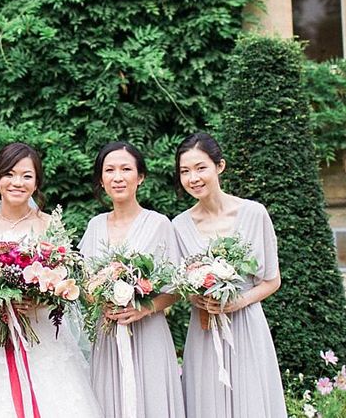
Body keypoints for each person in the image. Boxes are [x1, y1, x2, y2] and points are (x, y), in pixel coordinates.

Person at [0, 142, 103, 418]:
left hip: (43, 337)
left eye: (27, 175)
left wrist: (38, 301)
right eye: (9, 174)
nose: (17, 182)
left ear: (36, 184)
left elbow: (65, 285)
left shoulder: (49, 225)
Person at [171, 132, 286, 418]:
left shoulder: (254, 213)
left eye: (200, 168)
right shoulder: (179, 226)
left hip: (246, 325)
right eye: (185, 171)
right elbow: (178, 285)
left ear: (219, 166)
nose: (193, 178)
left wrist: (237, 301)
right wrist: (196, 296)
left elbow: (272, 280)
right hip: (205, 329)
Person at [79, 141, 185, 418]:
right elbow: (85, 286)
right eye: (109, 170)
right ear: (101, 180)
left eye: (126, 169)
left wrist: (143, 308)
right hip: (108, 333)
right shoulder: (94, 226)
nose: (117, 177)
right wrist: (101, 299)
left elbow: (176, 288)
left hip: (148, 332)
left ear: (140, 177)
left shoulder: (160, 224)